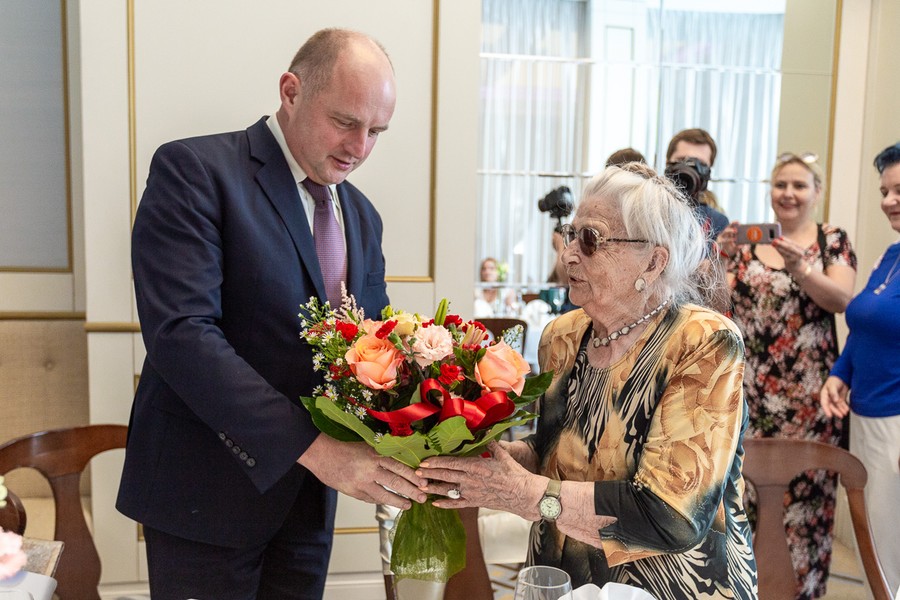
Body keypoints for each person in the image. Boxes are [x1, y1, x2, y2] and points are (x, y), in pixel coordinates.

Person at [116, 29, 428, 600]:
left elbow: (371, 352)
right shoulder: (194, 171)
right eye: (346, 121)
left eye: (376, 132)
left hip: (306, 503)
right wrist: (321, 452)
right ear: (291, 90)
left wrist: (436, 425)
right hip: (205, 494)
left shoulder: (362, 216)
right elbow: (182, 336)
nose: (359, 147)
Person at [418, 163, 757, 598]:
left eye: (591, 239)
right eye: (570, 233)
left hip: (672, 586)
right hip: (561, 577)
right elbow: (554, 454)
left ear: (654, 262)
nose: (568, 253)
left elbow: (673, 516)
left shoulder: (703, 342)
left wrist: (524, 494)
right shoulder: (562, 336)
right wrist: (485, 461)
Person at [717, 152, 857, 599]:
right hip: (747, 396)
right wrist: (718, 256)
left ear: (817, 192)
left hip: (812, 401)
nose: (789, 194)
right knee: (745, 502)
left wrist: (803, 268)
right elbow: (713, 303)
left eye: (800, 185)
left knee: (805, 505)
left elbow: (841, 300)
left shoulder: (830, 239)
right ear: (770, 190)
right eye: (781, 185)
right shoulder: (745, 242)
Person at [820, 141, 900, 593]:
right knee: (879, 551)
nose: (888, 201)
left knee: (893, 556)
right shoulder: (891, 255)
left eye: (899, 190)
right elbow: (866, 323)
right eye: (885, 190)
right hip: (867, 418)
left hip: (897, 423)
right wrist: (841, 372)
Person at [666, 127, 730, 240]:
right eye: (682, 160)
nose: (689, 168)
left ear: (708, 173)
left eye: (700, 163)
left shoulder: (716, 223)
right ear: (667, 164)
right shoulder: (645, 210)